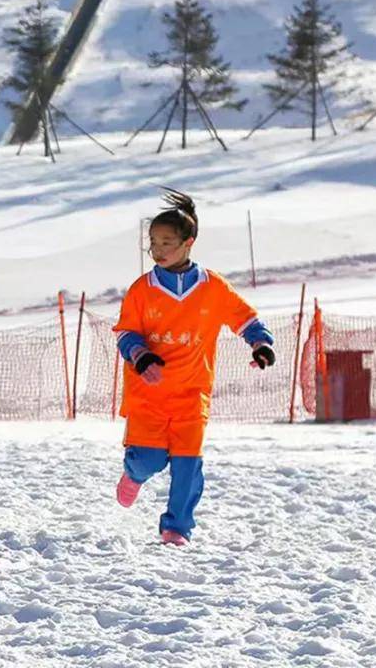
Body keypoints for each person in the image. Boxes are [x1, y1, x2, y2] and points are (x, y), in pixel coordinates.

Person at [113, 189, 275, 546]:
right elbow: (125, 333)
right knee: (150, 461)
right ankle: (133, 472)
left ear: (189, 243)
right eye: (153, 242)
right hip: (149, 395)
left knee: (188, 464)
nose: (157, 250)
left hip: (192, 394)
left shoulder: (213, 286)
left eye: (166, 242)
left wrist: (261, 343)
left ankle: (176, 527)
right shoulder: (142, 290)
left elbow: (245, 319)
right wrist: (141, 355)